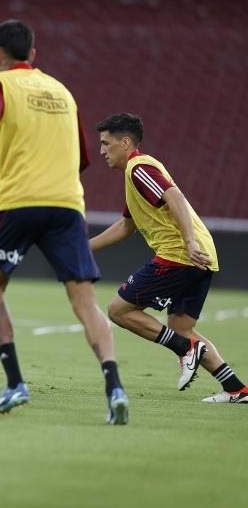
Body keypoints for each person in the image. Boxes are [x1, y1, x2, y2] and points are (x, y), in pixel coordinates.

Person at [0, 20, 128, 423]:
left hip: (19, 202)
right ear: (33, 54)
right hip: (67, 205)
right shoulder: (63, 92)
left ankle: (15, 383)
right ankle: (114, 385)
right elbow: (83, 156)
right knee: (85, 302)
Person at [91, 113, 247, 404]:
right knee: (181, 328)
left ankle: (185, 349)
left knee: (119, 310)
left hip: (181, 254)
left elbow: (173, 196)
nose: (101, 151)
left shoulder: (139, 168)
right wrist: (85, 248)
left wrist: (187, 242)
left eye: (105, 144)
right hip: (201, 255)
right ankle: (236, 389)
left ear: (125, 143)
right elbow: (127, 225)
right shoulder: (137, 173)